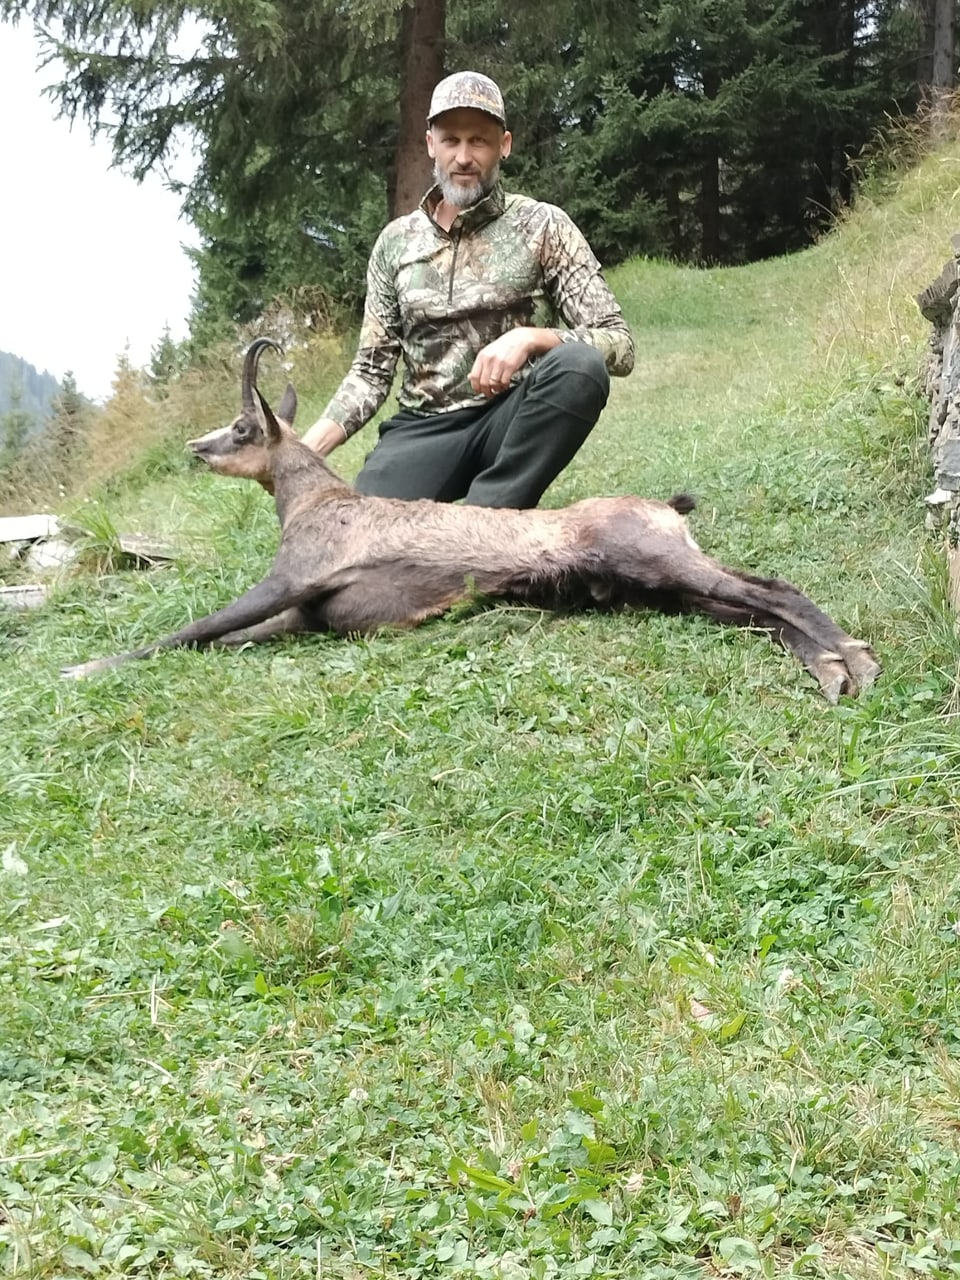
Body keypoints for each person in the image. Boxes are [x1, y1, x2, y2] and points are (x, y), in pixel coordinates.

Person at [301, 71, 635, 508]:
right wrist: (304, 453)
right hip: (423, 428)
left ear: (504, 146)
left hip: (515, 417)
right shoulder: (395, 243)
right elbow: (371, 371)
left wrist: (532, 338)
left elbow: (619, 344)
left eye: (479, 140)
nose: (463, 156)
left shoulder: (544, 225)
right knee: (364, 543)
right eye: (451, 140)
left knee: (579, 366)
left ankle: (489, 519)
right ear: (430, 145)